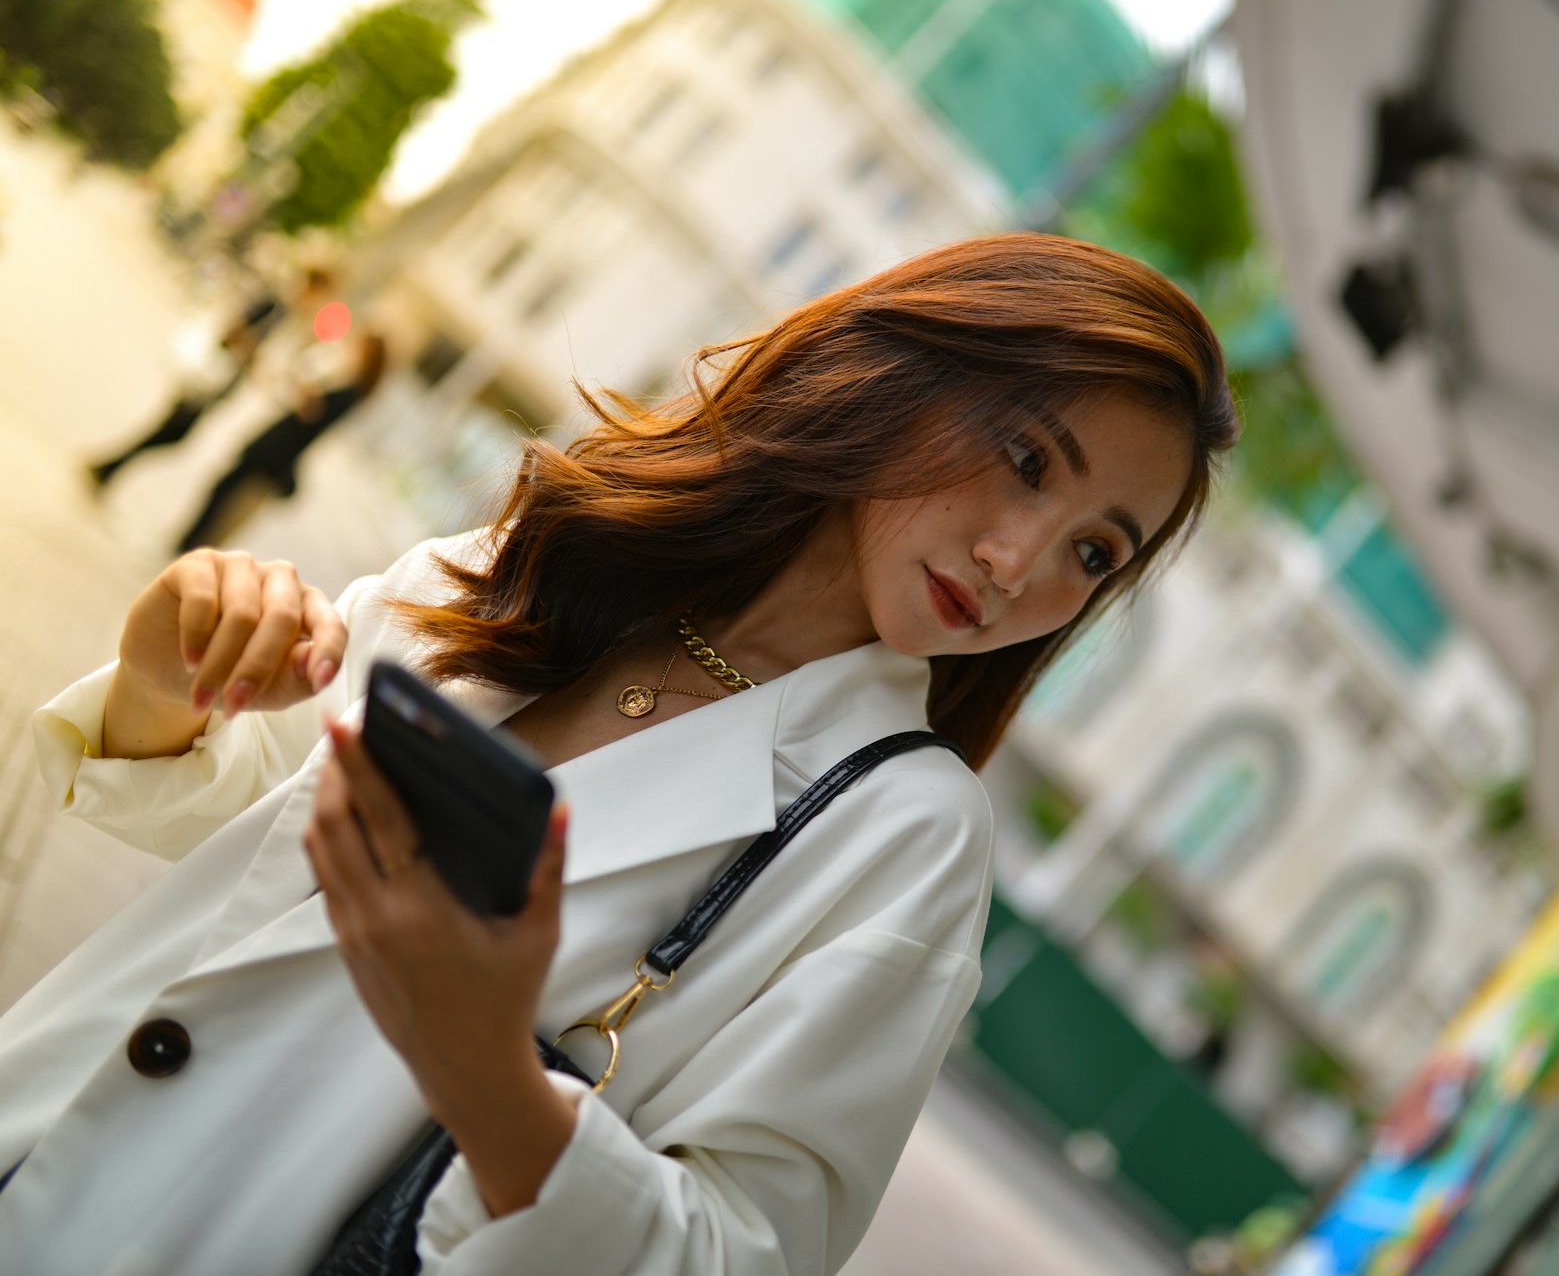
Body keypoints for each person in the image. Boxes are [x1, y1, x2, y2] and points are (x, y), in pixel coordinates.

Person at [0, 233, 1239, 1275]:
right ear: (904, 372)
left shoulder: (904, 839)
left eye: (1095, 553)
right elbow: (261, 840)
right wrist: (172, 678)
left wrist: (485, 1064)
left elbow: (738, 1249)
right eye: (1026, 460)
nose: (1021, 563)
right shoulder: (538, 560)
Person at [88, 269, 334, 489]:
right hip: (211, 374)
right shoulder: (275, 304)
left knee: (171, 431)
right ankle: (107, 467)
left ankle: (109, 468)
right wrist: (255, 360)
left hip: (219, 384)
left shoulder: (289, 318)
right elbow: (234, 329)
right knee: (173, 433)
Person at [173, 331, 389, 553]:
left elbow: (311, 412)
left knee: (225, 492)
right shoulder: (347, 385)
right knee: (225, 490)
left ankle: (187, 544)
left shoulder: (349, 391)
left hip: (279, 449)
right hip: (278, 444)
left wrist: (308, 383)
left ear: (367, 356)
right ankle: (187, 542)